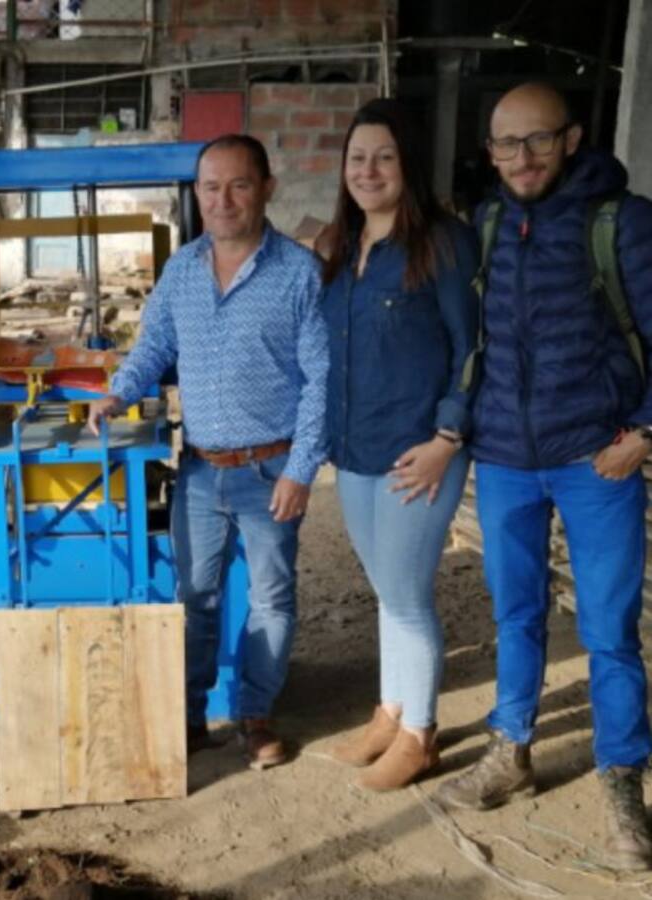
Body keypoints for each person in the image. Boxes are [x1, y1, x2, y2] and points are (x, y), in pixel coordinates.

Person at [435, 83, 652, 872]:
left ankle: (623, 778)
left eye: (537, 140)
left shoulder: (621, 223)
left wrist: (645, 433)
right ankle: (511, 749)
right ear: (489, 152)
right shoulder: (490, 221)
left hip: (596, 460)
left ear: (573, 138)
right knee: (515, 613)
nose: (521, 158)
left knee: (608, 631)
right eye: (505, 144)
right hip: (504, 462)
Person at [88, 134, 328, 769]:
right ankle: (191, 719)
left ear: (266, 188)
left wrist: (301, 469)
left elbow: (322, 381)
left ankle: (254, 717)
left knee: (271, 597)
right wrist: (118, 393)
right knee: (196, 598)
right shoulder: (182, 269)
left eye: (239, 185)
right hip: (198, 470)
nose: (223, 200)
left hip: (271, 469)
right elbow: (153, 346)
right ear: (197, 193)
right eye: (211, 187)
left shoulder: (298, 273)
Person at [315, 99, 479, 791]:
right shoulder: (341, 247)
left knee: (408, 595)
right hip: (355, 449)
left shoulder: (441, 242)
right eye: (358, 158)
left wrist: (448, 436)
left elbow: (475, 345)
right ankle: (391, 711)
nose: (369, 170)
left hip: (420, 452)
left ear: (407, 164)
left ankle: (421, 735)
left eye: (384, 156)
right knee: (386, 590)